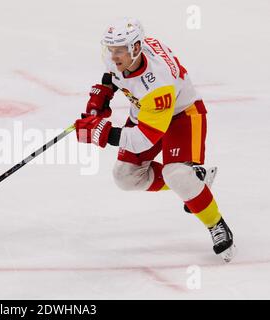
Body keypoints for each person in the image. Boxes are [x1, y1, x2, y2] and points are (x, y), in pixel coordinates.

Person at [75, 17, 236, 262]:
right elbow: (113, 74)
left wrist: (102, 132)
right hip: (147, 112)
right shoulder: (131, 51)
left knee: (177, 175)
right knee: (126, 177)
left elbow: (143, 140)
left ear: (136, 48)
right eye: (110, 49)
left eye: (119, 50)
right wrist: (103, 93)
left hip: (182, 115)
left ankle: (216, 223)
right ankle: (196, 181)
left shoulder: (158, 83)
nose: (113, 56)